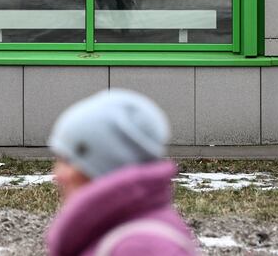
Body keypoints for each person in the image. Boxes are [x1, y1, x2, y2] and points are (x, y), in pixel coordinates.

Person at [45, 89, 200, 256]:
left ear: (105, 162)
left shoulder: (140, 247)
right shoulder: (119, 232)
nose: (58, 175)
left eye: (68, 161)